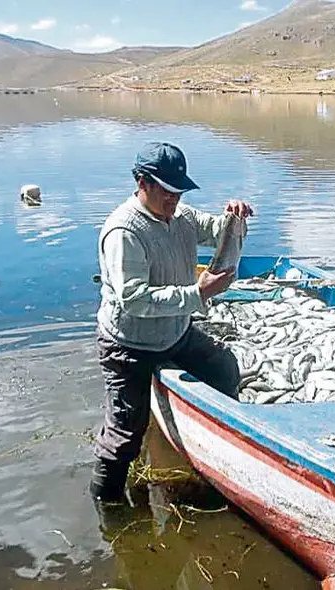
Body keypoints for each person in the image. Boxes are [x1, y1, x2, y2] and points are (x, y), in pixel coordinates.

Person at [89, 141, 254, 504]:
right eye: (166, 191)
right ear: (142, 182)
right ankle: (108, 505)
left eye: (179, 191)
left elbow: (214, 230)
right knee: (125, 434)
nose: (173, 199)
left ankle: (217, 448)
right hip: (128, 344)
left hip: (174, 333)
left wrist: (233, 218)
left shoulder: (180, 217)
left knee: (224, 367)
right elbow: (135, 300)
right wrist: (198, 293)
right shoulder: (124, 232)